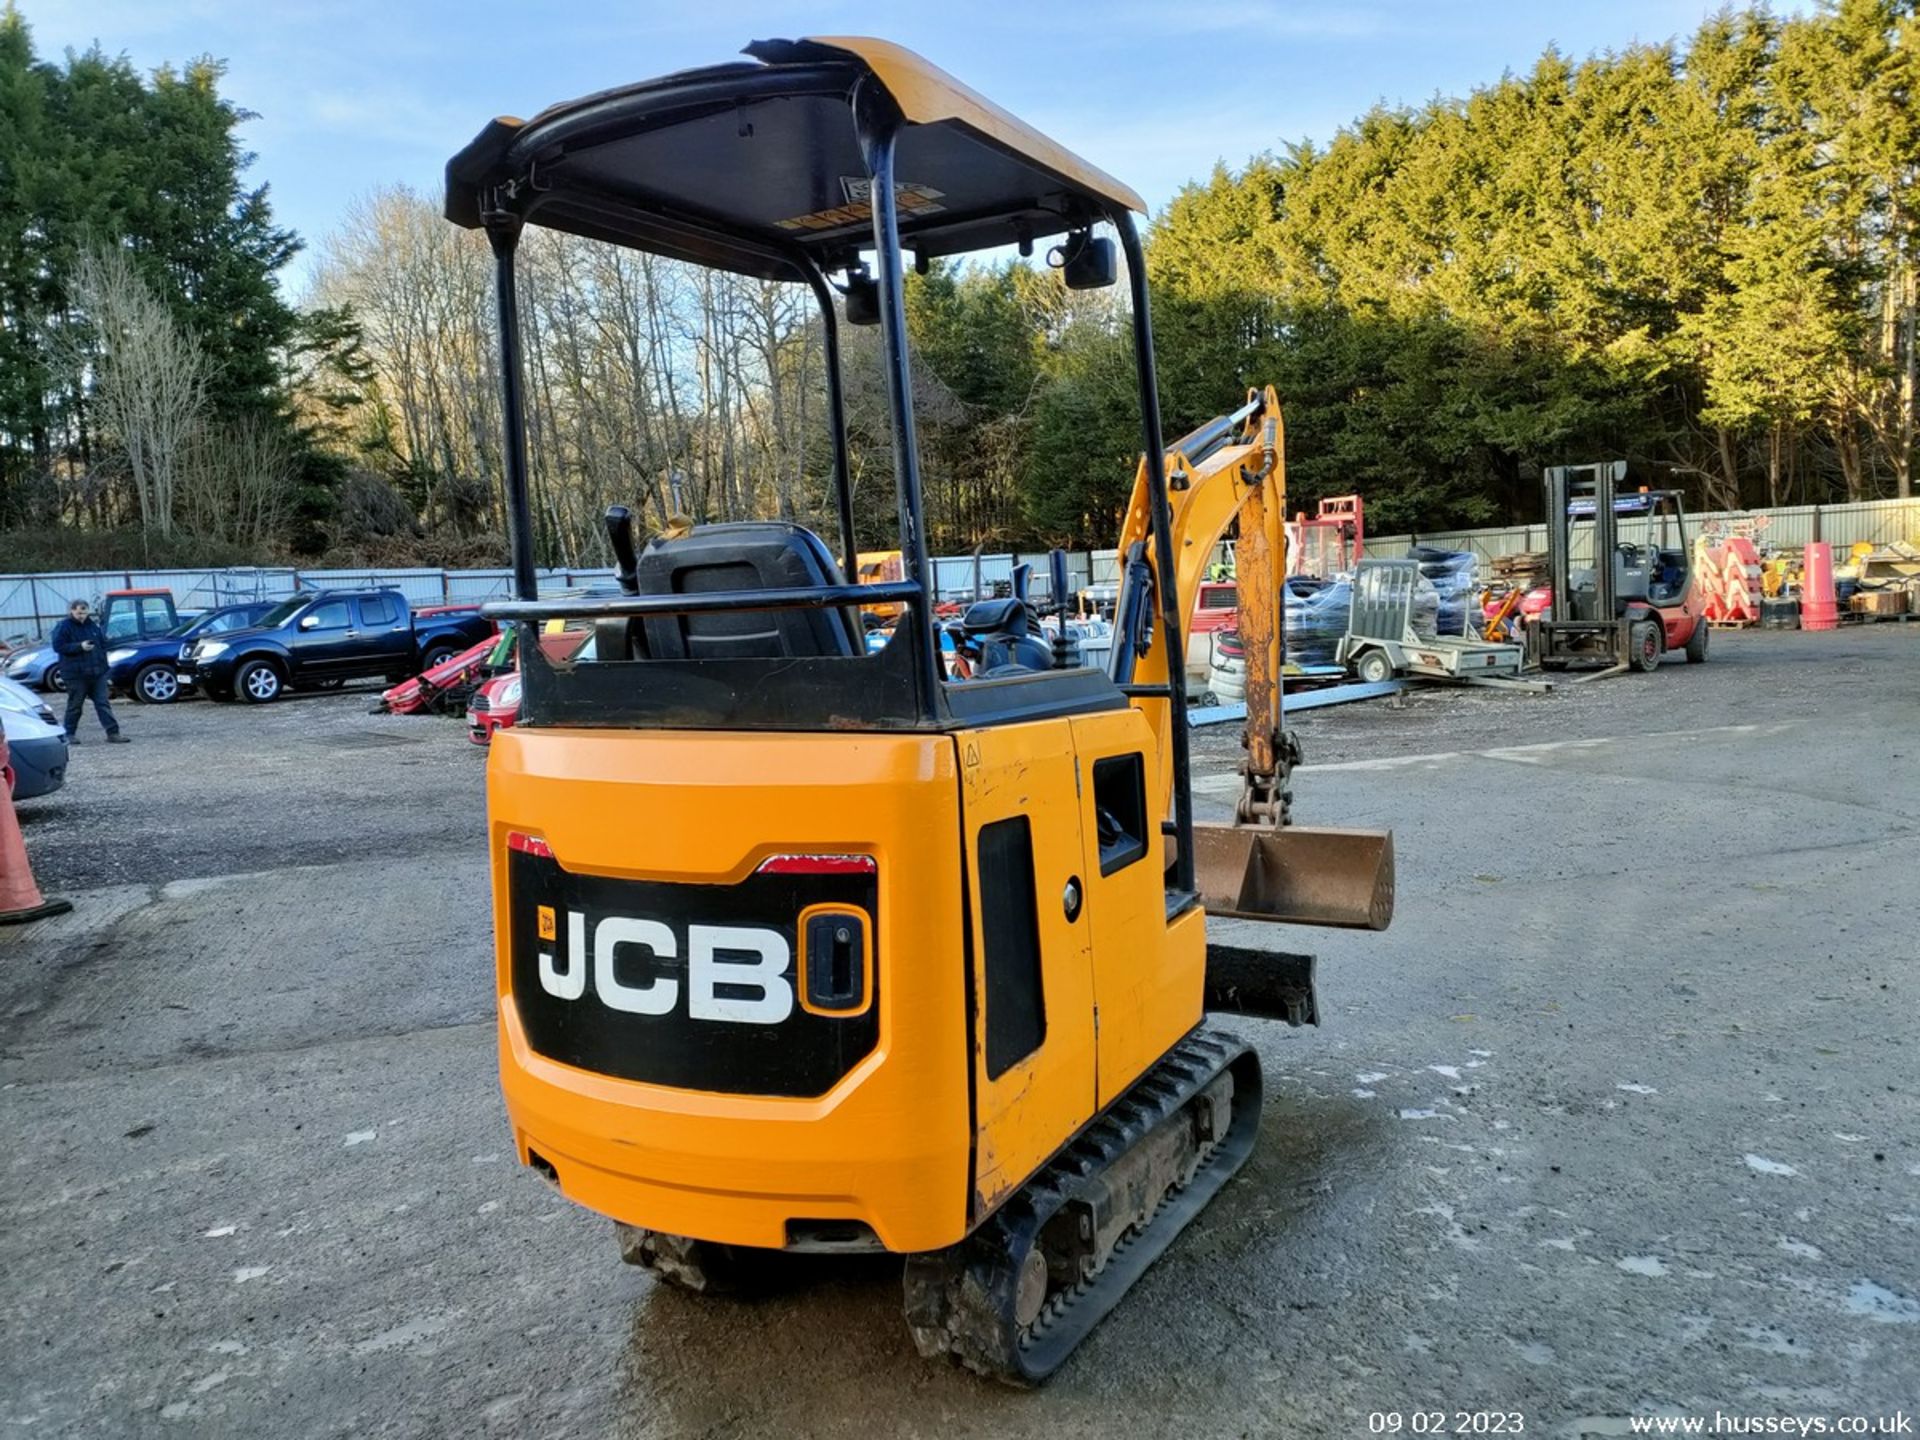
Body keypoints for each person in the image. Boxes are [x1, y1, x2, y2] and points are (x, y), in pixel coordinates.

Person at [50, 599, 128, 744]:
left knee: (103, 703)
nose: (82, 616)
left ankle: (113, 733)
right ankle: (69, 734)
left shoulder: (92, 626)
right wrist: (79, 646)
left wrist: (105, 668)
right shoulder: (63, 626)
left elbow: (101, 646)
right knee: (75, 705)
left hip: (97, 673)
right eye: (79, 612)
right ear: (71, 611)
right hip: (75, 674)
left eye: (85, 612)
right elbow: (58, 646)